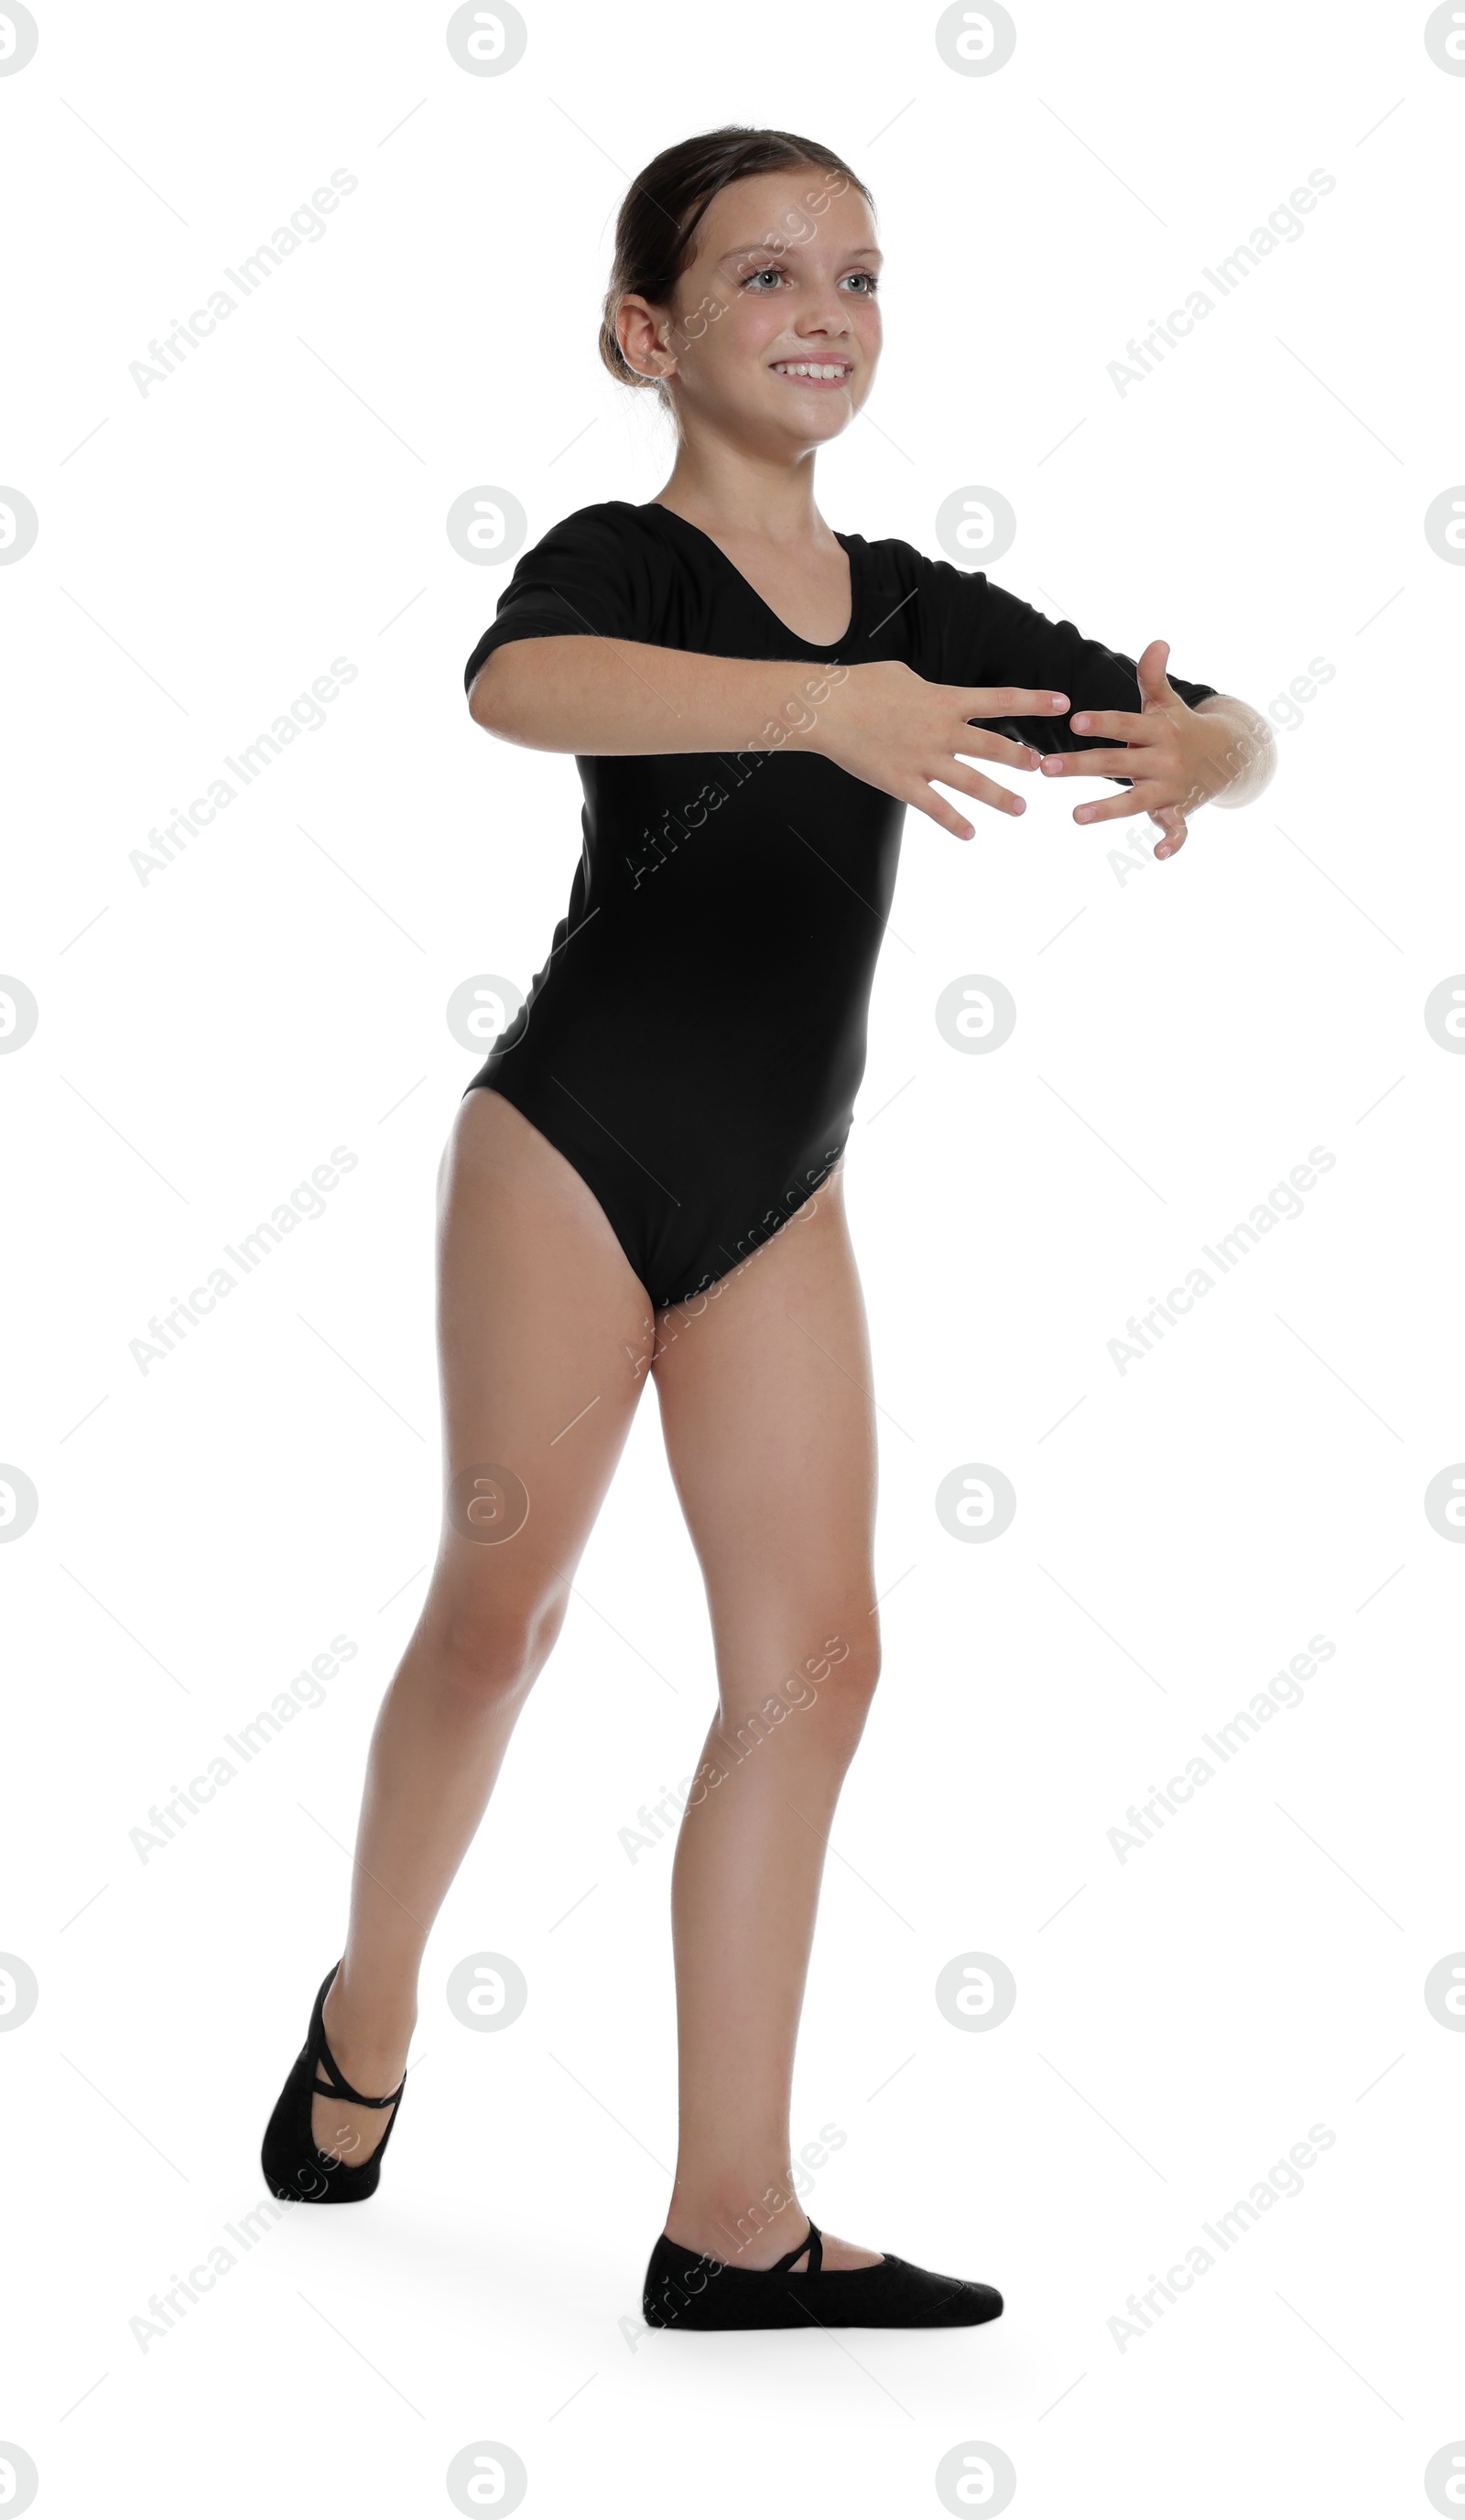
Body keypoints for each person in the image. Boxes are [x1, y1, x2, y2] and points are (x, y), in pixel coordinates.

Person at [262, 124, 1275, 2331]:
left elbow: (1200, 717)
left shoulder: (917, 601)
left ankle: (729, 2218)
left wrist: (1217, 754)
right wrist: (819, 711)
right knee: (499, 1618)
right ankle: (366, 2016)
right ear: (647, 331)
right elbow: (515, 691)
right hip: (564, 1150)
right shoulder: (620, 561)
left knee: (814, 1666)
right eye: (761, 280)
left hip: (774, 1190)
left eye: (859, 276)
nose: (822, 313)